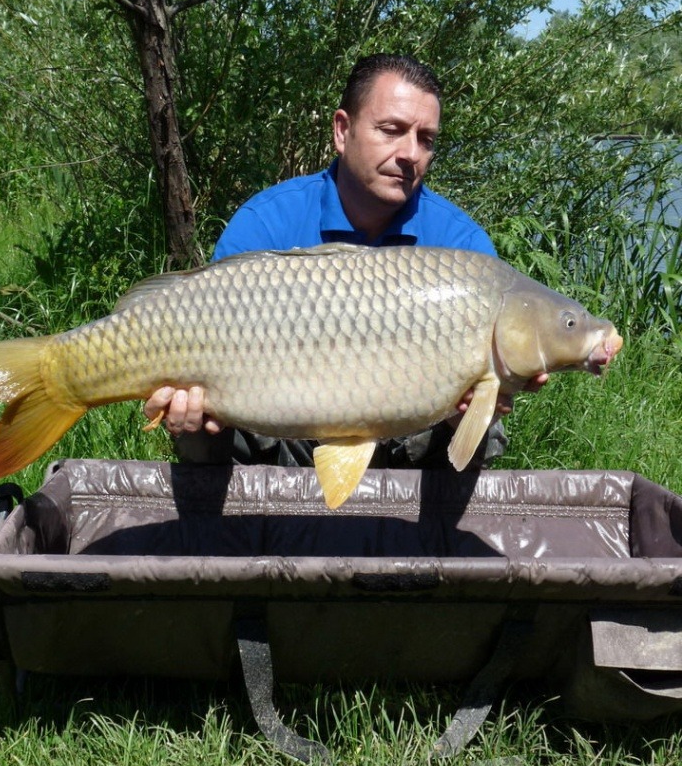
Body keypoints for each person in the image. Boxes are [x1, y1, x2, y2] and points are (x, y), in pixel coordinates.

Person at [143, 53, 547, 467]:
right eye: (391, 130)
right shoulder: (266, 222)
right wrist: (188, 405)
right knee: (196, 424)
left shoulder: (462, 246)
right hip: (281, 433)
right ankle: (241, 529)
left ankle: (416, 530)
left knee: (485, 422)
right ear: (342, 130)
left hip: (406, 442)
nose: (411, 153)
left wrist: (472, 407)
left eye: (426, 139)